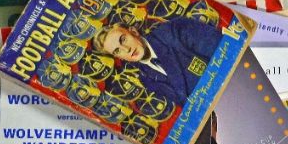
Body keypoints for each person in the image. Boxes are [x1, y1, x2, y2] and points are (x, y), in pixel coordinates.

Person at [91, 17, 223, 105]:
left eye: (123, 39)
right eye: (117, 51)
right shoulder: (146, 79)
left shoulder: (174, 30)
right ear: (119, 58)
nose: (126, 49)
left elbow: (225, 51)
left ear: (134, 32)